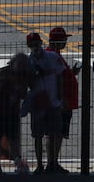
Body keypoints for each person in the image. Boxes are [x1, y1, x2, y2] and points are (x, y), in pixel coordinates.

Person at [0, 52, 31, 175]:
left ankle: (18, 163)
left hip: (11, 109)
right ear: (13, 63)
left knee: (12, 138)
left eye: (23, 66)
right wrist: (7, 87)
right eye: (19, 65)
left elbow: (24, 94)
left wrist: (18, 91)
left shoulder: (23, 75)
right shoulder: (3, 73)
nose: (21, 68)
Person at [25, 32, 66, 174]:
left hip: (53, 101)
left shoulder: (53, 57)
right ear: (29, 46)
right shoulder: (28, 62)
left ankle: (52, 162)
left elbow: (60, 77)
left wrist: (60, 97)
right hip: (38, 103)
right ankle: (39, 164)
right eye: (32, 45)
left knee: (54, 133)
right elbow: (26, 83)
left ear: (41, 43)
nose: (35, 47)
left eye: (37, 44)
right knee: (38, 135)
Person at [46, 27, 81, 174]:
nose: (66, 42)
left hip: (62, 101)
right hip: (60, 102)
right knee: (56, 133)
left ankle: (53, 162)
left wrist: (72, 73)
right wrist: (61, 99)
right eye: (64, 39)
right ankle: (52, 162)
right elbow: (55, 79)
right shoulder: (53, 55)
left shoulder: (55, 54)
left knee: (56, 133)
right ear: (58, 41)